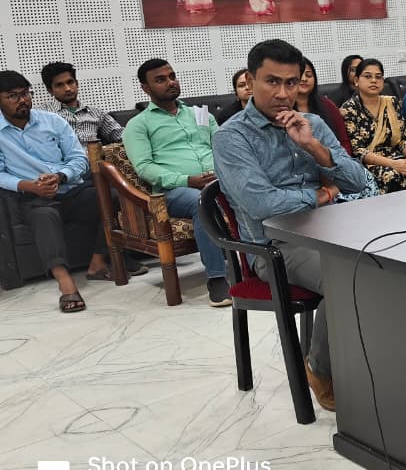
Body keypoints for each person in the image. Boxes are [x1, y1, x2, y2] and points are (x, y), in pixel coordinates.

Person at [213, 39, 368, 411]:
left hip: (332, 231)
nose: (283, 93)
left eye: (291, 82)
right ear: (250, 81)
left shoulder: (312, 124)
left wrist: (313, 146)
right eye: (272, 82)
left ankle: (373, 359)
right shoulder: (231, 137)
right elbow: (261, 205)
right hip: (274, 248)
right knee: (346, 275)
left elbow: (358, 181)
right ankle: (321, 369)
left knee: (395, 265)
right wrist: (320, 195)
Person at [0, 71, 116, 313]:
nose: (23, 100)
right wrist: (29, 185)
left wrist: (60, 176)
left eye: (26, 94)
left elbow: (79, 158)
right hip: (32, 196)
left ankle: (97, 262)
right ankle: (65, 283)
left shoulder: (52, 121)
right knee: (44, 215)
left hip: (69, 189)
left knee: (111, 197)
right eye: (13, 96)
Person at [123, 59, 229, 306]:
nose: (170, 82)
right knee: (202, 202)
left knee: (252, 189)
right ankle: (217, 278)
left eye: (172, 76)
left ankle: (259, 265)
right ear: (146, 88)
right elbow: (145, 168)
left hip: (218, 182)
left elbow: (223, 148)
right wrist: (187, 180)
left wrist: (223, 173)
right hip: (173, 192)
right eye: (160, 80)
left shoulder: (200, 115)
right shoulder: (138, 125)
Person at [340, 59, 406, 193]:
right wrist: (394, 164)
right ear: (356, 81)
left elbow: (404, 138)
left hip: (397, 158)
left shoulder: (392, 102)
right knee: (391, 176)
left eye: (378, 77)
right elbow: (358, 151)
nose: (374, 80)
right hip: (369, 164)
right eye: (368, 76)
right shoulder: (348, 109)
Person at [39, 62, 124, 146]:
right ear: (50, 90)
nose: (67, 89)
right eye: (60, 85)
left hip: (94, 154)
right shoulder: (42, 115)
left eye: (70, 82)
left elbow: (121, 135)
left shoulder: (96, 113)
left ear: (76, 84)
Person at [295, 58, 352, 155]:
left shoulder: (327, 104)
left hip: (333, 158)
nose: (304, 79)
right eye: (299, 75)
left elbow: (344, 140)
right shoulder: (283, 109)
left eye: (309, 75)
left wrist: (343, 159)